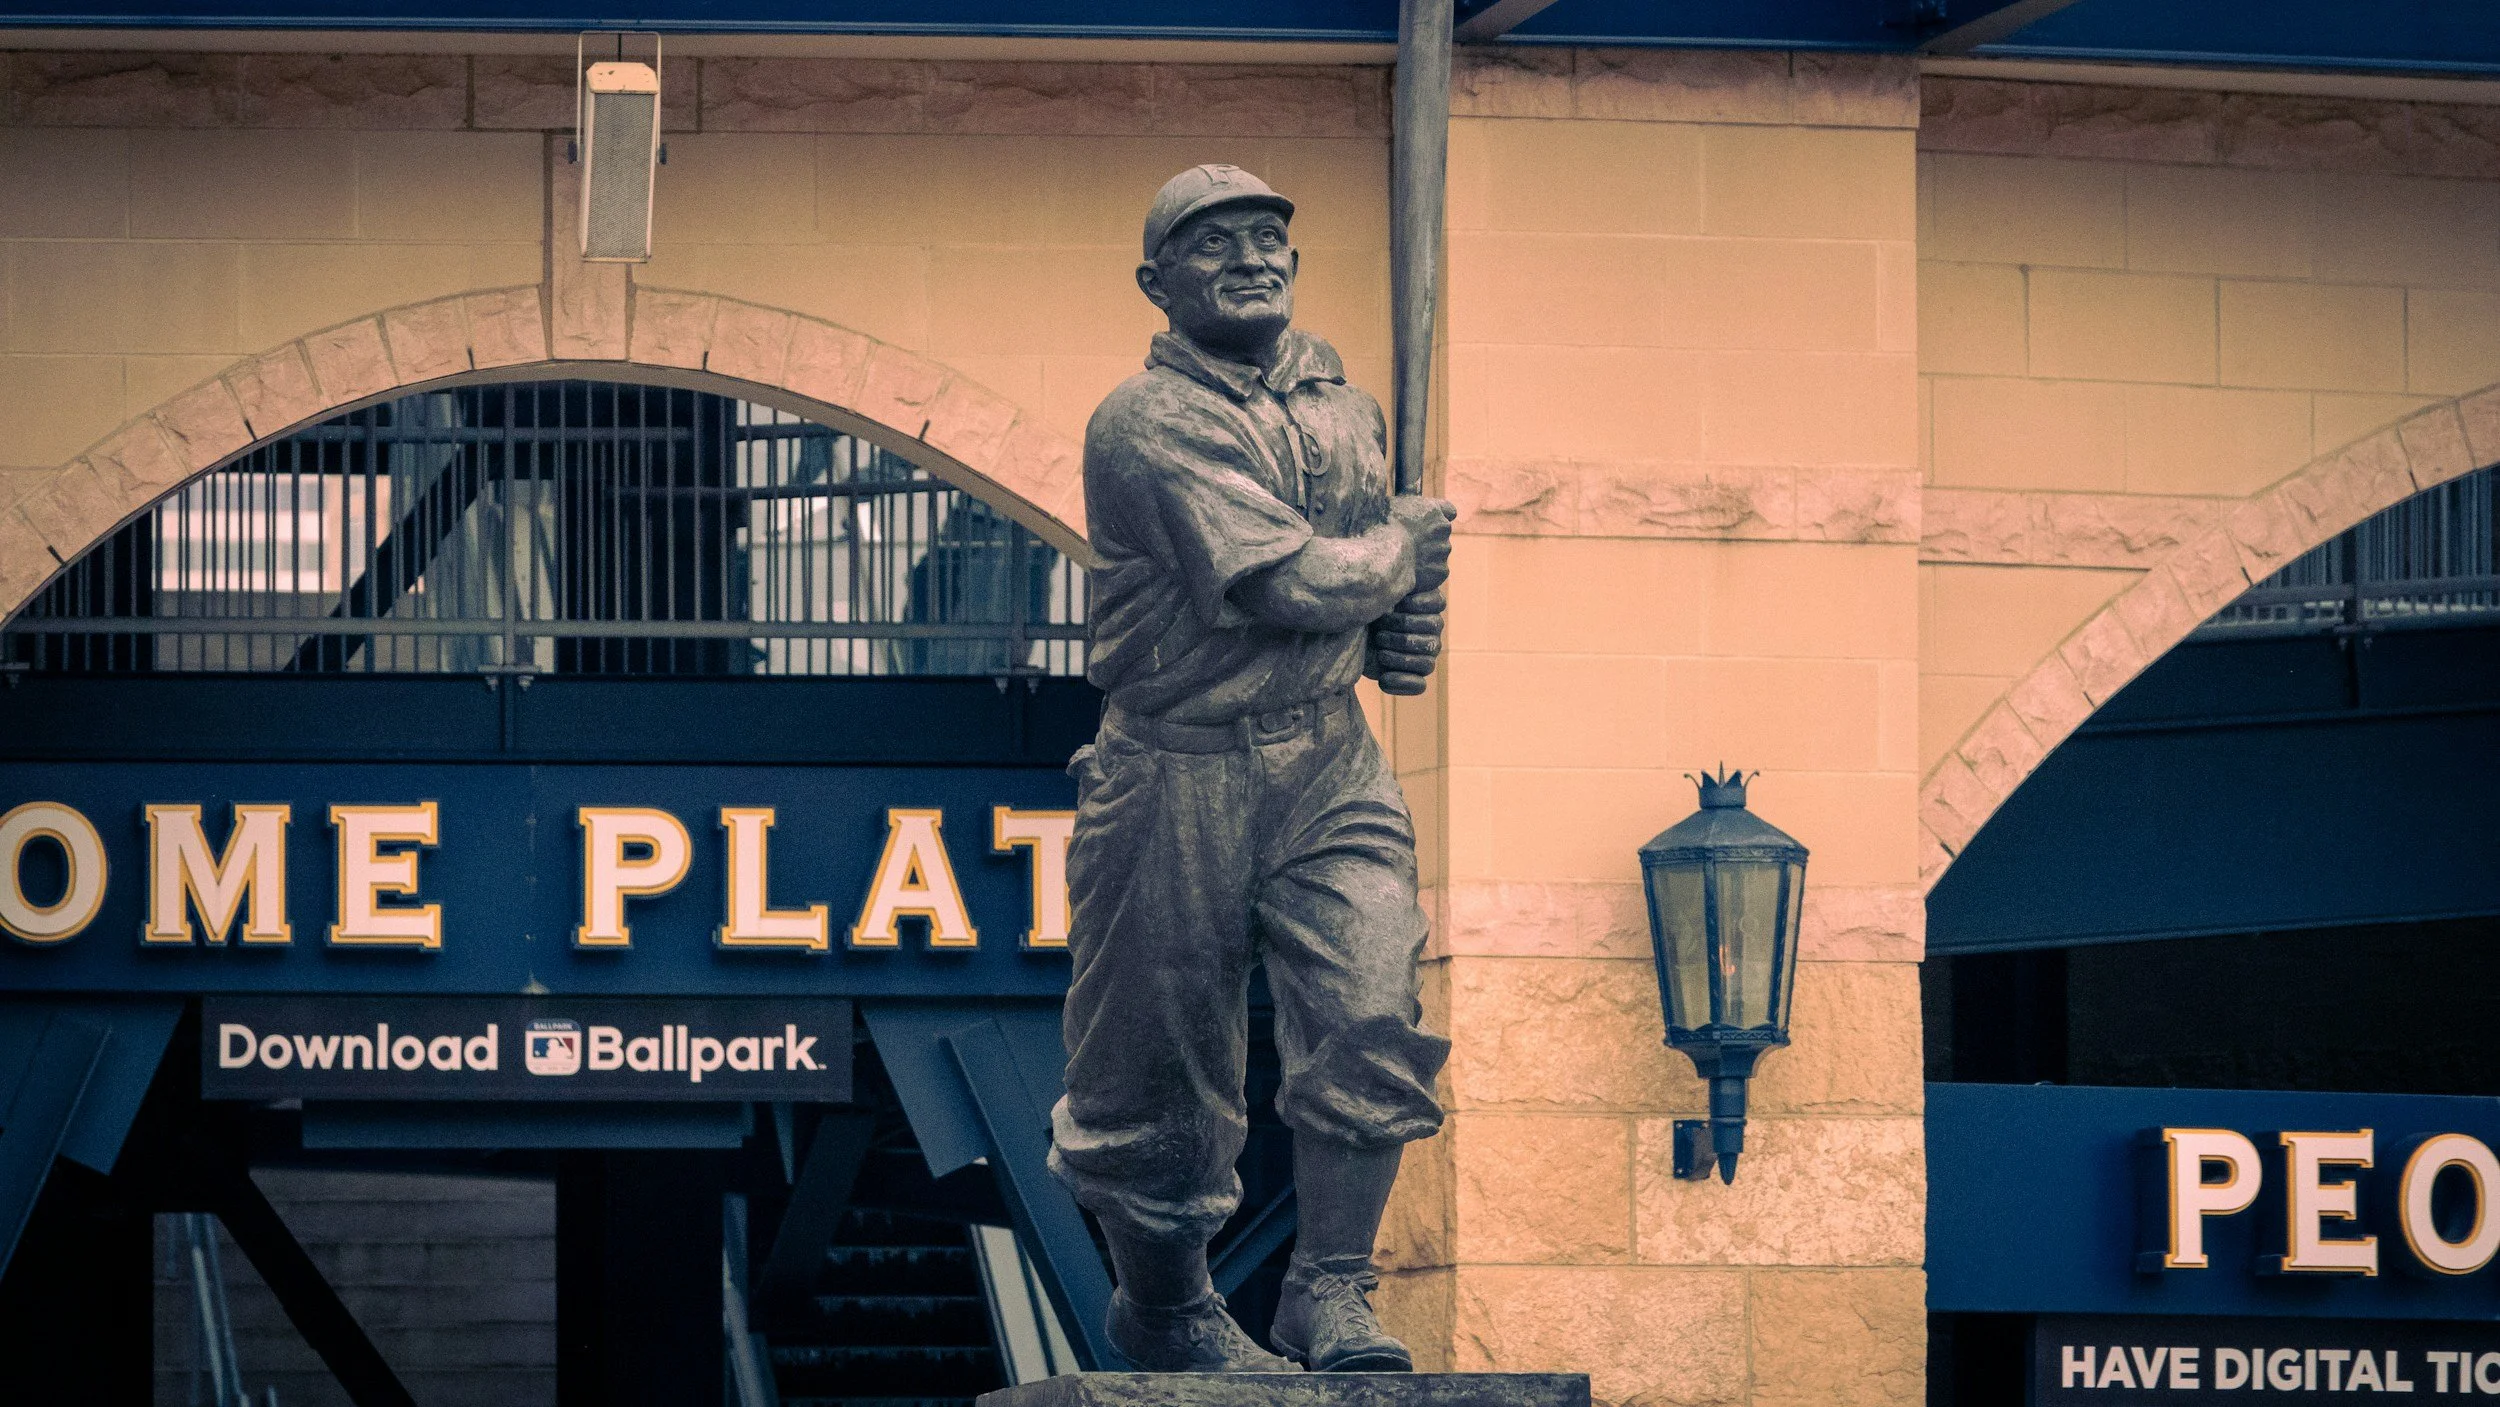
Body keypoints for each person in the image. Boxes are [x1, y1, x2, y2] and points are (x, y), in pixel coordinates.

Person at [1047, 163, 1458, 1374]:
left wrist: (1406, 619)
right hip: (1174, 770)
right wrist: (1397, 556)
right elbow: (1295, 582)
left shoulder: (1348, 409)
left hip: (1328, 760)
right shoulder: (1145, 420)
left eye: (1269, 236)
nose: (1250, 256)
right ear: (1155, 281)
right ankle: (1168, 1308)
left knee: (1372, 1009)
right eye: (1213, 241)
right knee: (1160, 1073)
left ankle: (1331, 1289)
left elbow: (1363, 598)